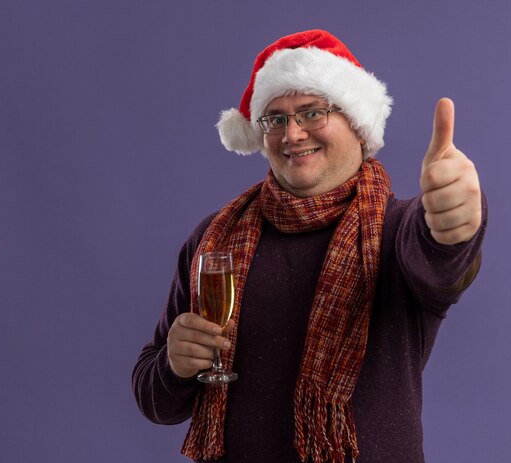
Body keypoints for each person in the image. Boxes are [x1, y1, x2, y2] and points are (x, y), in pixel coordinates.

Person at [132, 29, 487, 463]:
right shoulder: (215, 241)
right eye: (275, 119)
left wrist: (456, 220)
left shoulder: (398, 229)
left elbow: (443, 260)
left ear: (357, 124)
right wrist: (174, 365)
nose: (292, 134)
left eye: (312, 113)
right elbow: (154, 398)